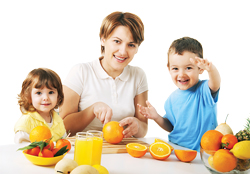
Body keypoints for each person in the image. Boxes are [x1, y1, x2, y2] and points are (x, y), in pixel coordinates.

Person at [60, 11, 148, 137]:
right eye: (117, 41)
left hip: (122, 152)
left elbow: (143, 129)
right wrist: (92, 109)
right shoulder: (80, 72)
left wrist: (137, 126)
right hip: (86, 151)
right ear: (103, 39)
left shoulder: (138, 75)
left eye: (131, 45)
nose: (123, 51)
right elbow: (63, 128)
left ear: (137, 48)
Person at [138, 37, 221, 151]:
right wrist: (156, 117)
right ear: (169, 69)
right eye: (175, 68)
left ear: (200, 69)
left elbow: (215, 84)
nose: (181, 74)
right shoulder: (171, 100)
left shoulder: (204, 91)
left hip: (200, 155)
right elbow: (171, 127)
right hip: (176, 150)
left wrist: (211, 69)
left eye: (188, 68)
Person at [14, 68, 66, 143]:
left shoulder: (58, 120)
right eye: (39, 93)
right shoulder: (26, 121)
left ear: (58, 96)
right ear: (29, 96)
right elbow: (21, 147)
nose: (45, 98)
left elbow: (63, 143)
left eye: (51, 92)